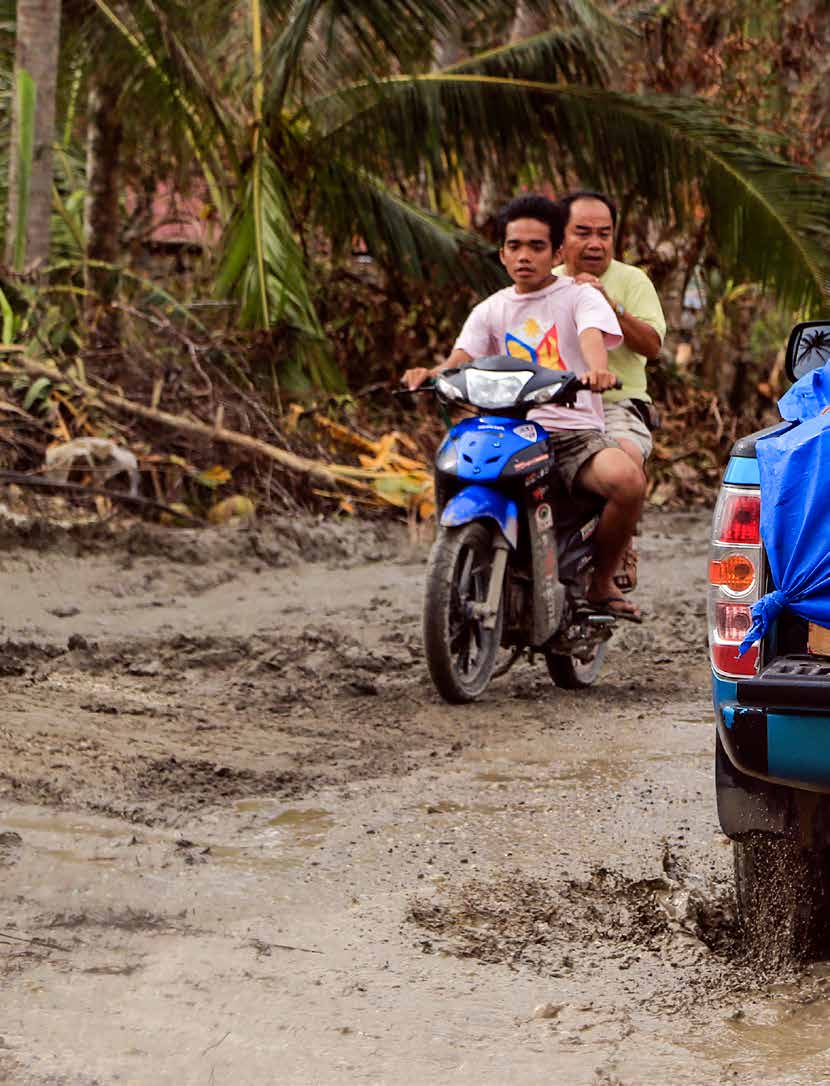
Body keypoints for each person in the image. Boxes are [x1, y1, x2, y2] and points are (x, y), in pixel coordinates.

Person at [402, 193, 645, 621]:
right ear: (502, 253)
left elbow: (592, 339)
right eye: (514, 246)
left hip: (570, 434)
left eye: (536, 246)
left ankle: (601, 581)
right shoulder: (491, 308)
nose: (524, 256)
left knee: (627, 480)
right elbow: (461, 358)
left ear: (556, 253)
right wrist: (431, 374)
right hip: (504, 429)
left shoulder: (579, 297)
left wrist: (597, 371)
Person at [555, 190, 667, 590]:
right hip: (556, 403)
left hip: (618, 402)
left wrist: (609, 305)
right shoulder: (542, 284)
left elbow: (652, 346)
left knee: (626, 457)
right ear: (561, 237)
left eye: (604, 233)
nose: (595, 242)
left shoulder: (632, 281)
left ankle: (619, 548)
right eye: (582, 232)